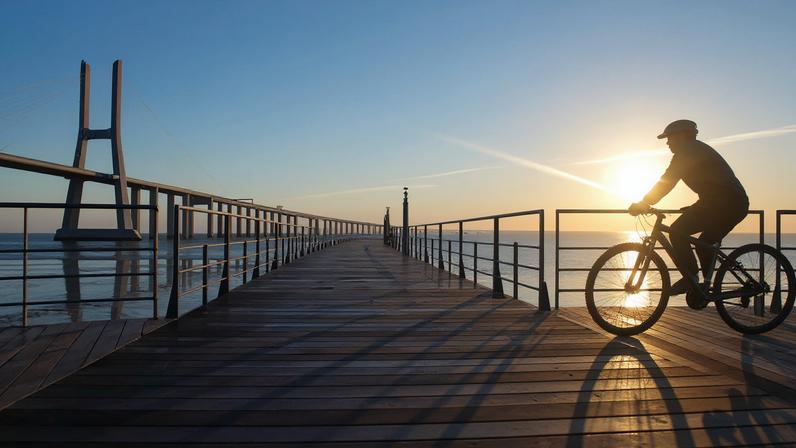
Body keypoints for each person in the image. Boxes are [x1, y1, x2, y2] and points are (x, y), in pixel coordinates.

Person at [629, 119, 749, 309]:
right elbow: (712, 185)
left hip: (730, 205)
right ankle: (703, 284)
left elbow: (667, 181)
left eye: (669, 138)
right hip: (716, 203)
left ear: (683, 136)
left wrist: (645, 202)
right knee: (700, 242)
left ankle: (692, 277)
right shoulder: (691, 151)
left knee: (679, 232)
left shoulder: (688, 152)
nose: (667, 142)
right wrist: (696, 207)